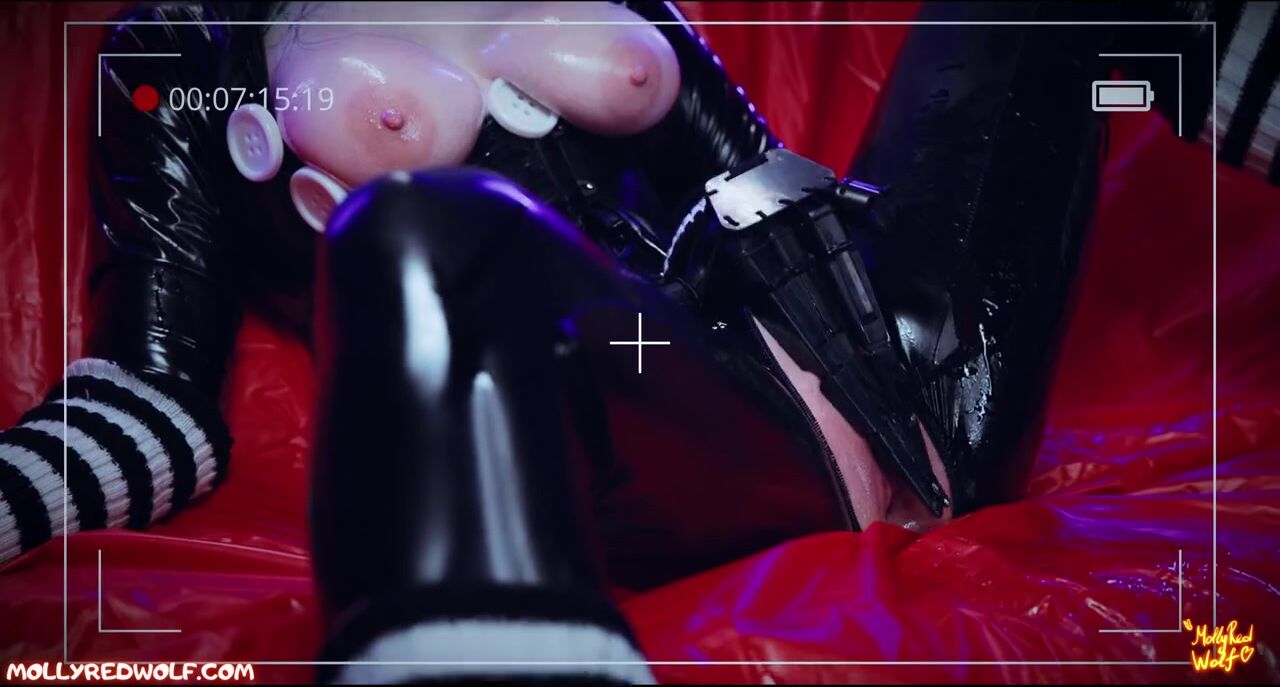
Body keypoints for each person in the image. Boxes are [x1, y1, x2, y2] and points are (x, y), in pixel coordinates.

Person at [0, 1, 1266, 683]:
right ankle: (471, 653)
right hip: (681, 415)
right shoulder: (187, 49)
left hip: (919, 357)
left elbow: (761, 181)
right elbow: (155, 396)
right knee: (432, 232)